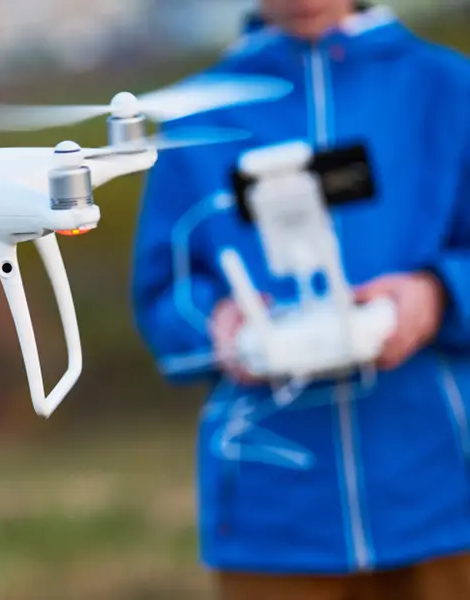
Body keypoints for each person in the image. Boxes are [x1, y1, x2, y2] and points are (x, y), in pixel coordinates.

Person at [130, 1, 470, 599]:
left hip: (443, 492)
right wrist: (220, 326)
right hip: (275, 514)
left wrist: (437, 295)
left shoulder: (447, 86)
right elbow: (164, 291)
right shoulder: (192, 115)